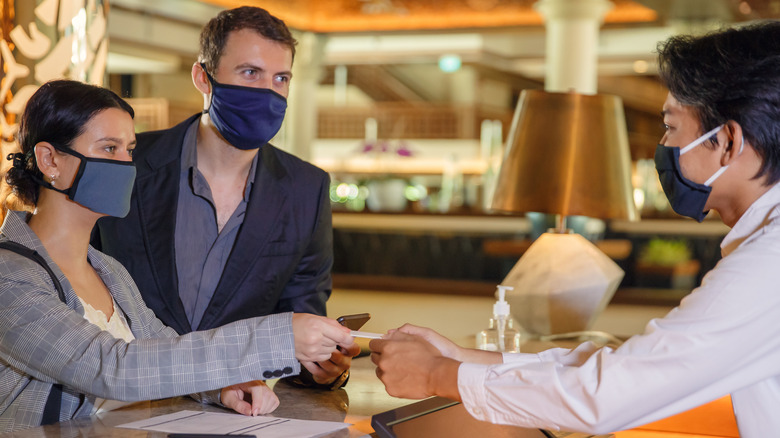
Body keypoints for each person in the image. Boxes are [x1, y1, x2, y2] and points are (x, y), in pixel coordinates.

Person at [369, 21, 780, 437]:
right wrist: (463, 359)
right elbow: (628, 368)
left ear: (728, 141)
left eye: (671, 128)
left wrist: (440, 375)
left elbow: (607, 394)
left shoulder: (769, 262)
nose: (664, 146)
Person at [0, 79, 355, 432]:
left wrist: (221, 385)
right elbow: (111, 367)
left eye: (130, 149)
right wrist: (277, 338)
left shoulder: (107, 270)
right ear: (49, 160)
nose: (126, 164)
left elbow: (162, 347)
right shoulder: (9, 274)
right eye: (110, 149)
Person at [92, 5, 357, 390]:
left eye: (280, 78)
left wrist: (328, 369)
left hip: (236, 414)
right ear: (203, 76)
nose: (267, 92)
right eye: (250, 73)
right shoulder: (126, 164)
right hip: (116, 404)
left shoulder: (306, 189)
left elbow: (299, 325)